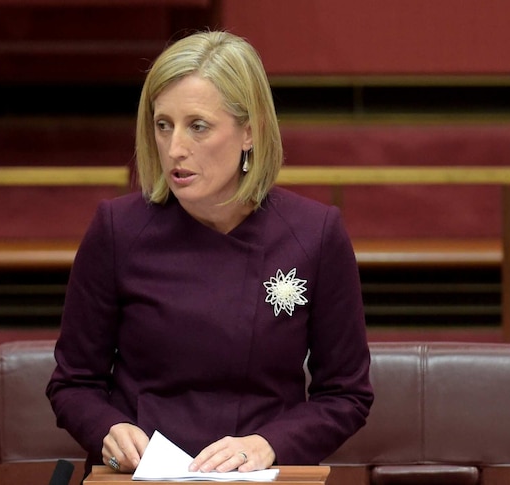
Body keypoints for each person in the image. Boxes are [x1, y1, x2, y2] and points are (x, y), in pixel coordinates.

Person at [46, 30, 373, 479]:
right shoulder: (117, 229)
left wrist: (269, 444)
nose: (175, 148)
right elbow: (73, 383)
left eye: (198, 126)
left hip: (258, 476)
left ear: (249, 132)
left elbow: (346, 395)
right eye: (163, 125)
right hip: (142, 477)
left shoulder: (315, 234)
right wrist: (110, 428)